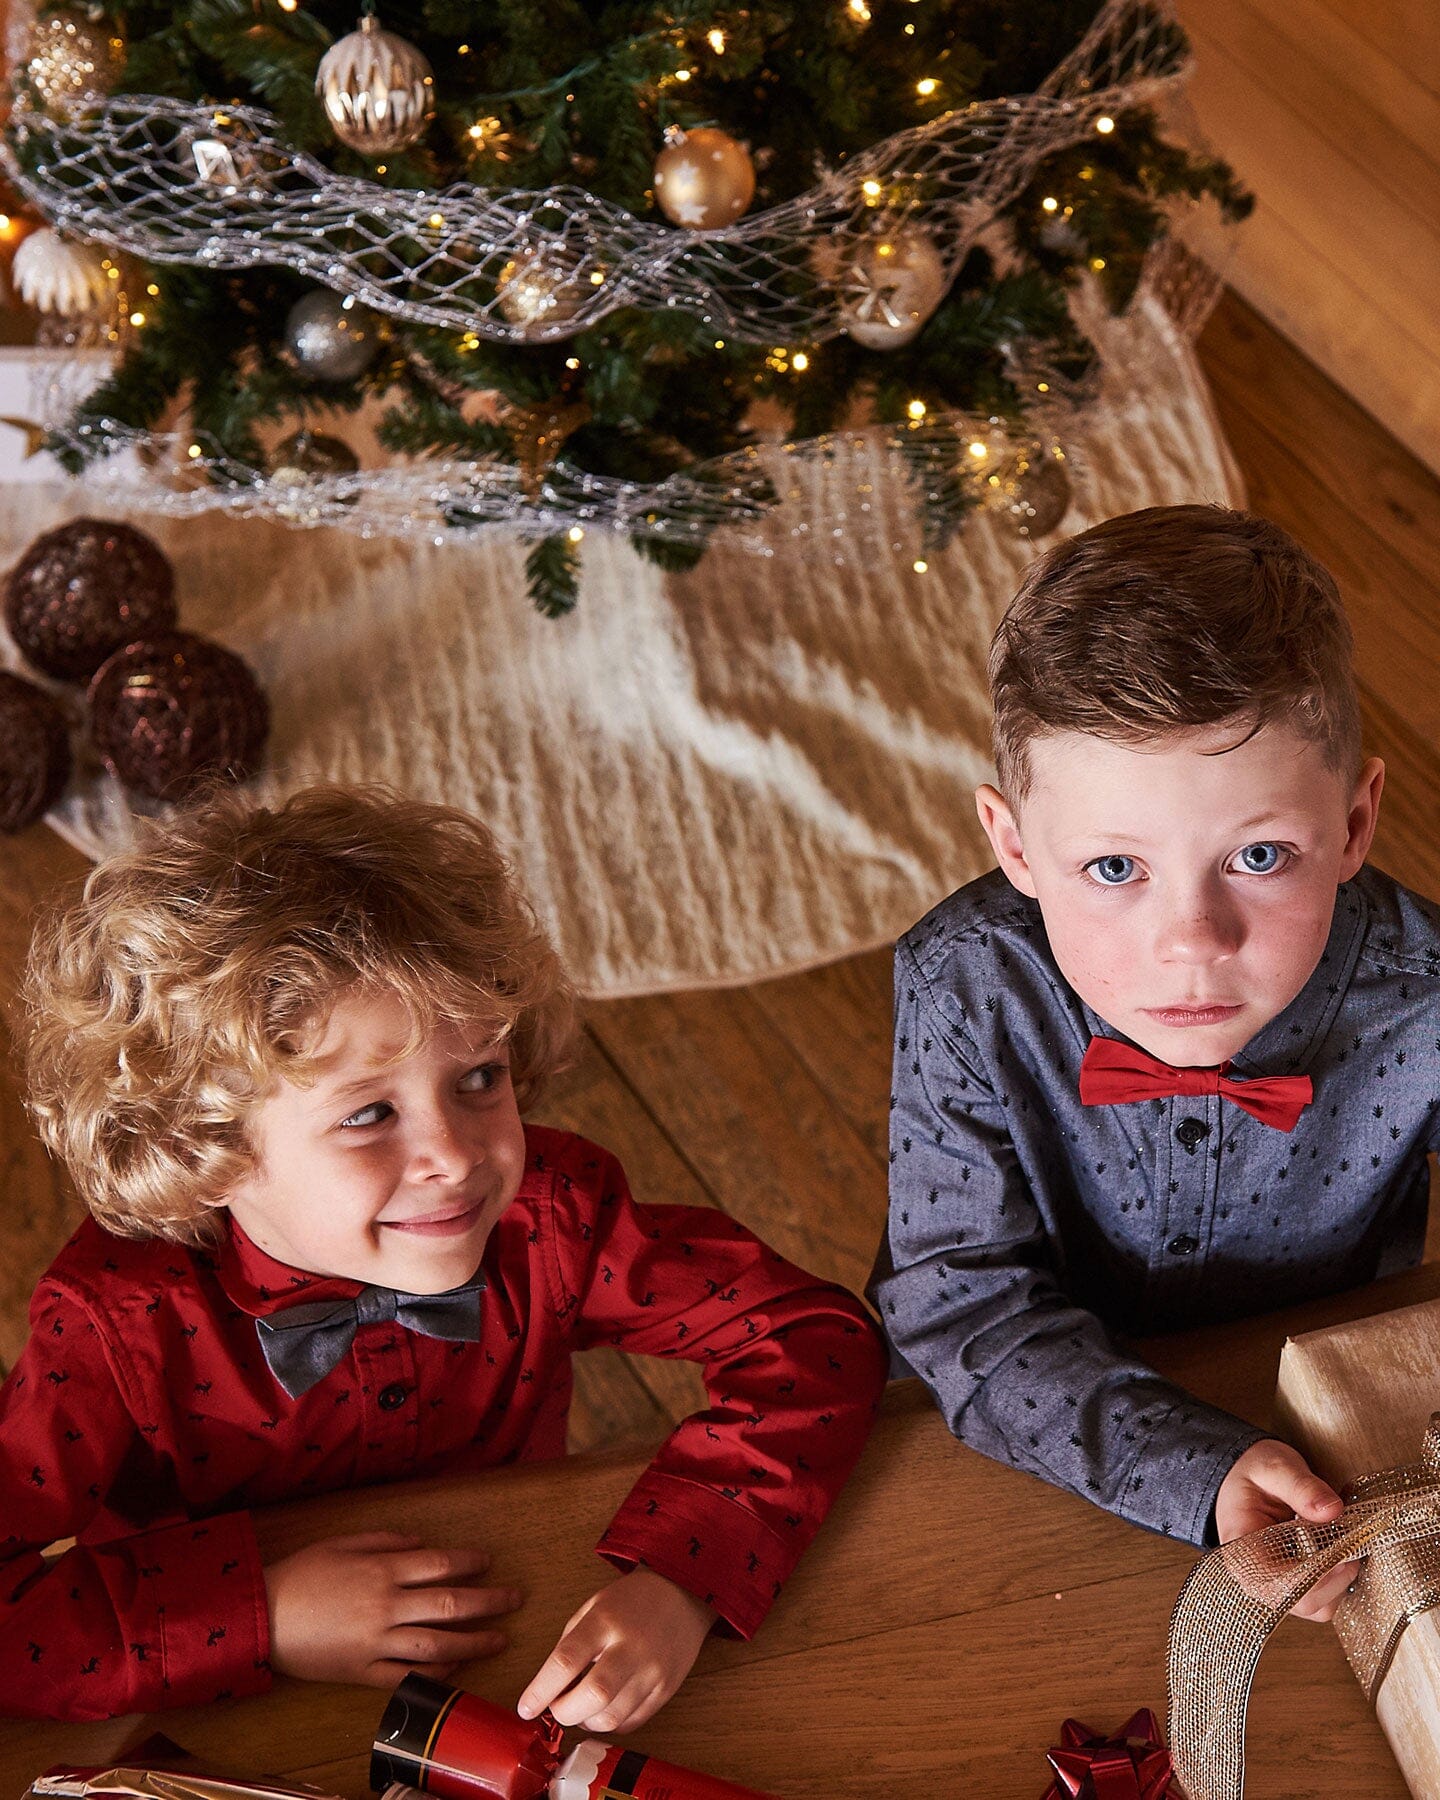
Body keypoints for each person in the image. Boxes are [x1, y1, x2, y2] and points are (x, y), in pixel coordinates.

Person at [3, 786, 887, 1723]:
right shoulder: (113, 1329)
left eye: (478, 1078)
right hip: (215, 1703)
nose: (458, 1156)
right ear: (198, 1146)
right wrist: (261, 1614)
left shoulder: (553, 1215)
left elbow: (813, 1337)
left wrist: (686, 1577)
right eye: (369, 1113)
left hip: (518, 1624)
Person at [872, 504, 1426, 1624]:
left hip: (1319, 1447)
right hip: (989, 1427)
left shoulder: (1427, 997)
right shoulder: (965, 987)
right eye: (1115, 866)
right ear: (1016, 846)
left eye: (1259, 856)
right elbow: (955, 1302)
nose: (1193, 939)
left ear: (1357, 822)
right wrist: (1193, 1467)